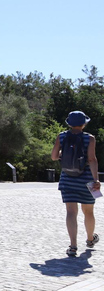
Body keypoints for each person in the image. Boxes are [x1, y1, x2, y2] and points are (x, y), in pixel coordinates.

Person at [51, 110, 100, 257]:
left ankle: (73, 246)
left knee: (71, 213)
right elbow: (92, 160)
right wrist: (95, 179)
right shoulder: (89, 139)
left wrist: (63, 155)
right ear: (84, 124)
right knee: (89, 211)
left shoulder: (62, 136)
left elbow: (54, 157)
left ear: (69, 124)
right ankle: (90, 240)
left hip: (67, 179)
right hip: (86, 180)